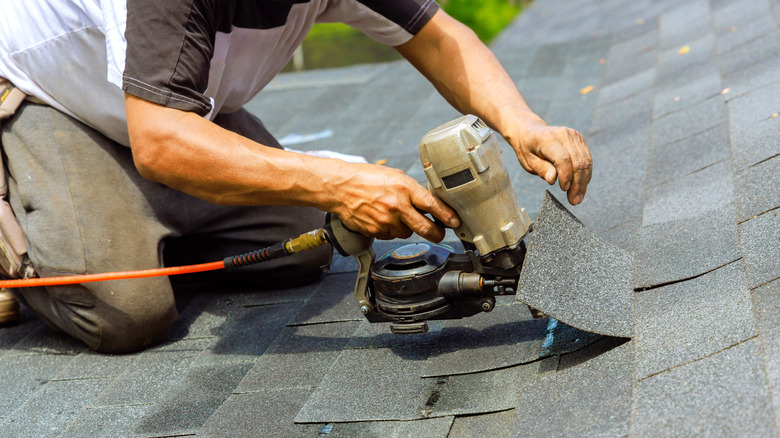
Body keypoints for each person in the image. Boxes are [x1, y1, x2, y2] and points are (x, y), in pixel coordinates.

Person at [0, 0, 592, 353]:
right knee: (126, 311)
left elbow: (438, 38)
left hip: (169, 107)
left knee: (304, 241)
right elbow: (159, 142)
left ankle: (141, 220)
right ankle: (19, 223)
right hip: (48, 99)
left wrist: (523, 125)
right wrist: (338, 183)